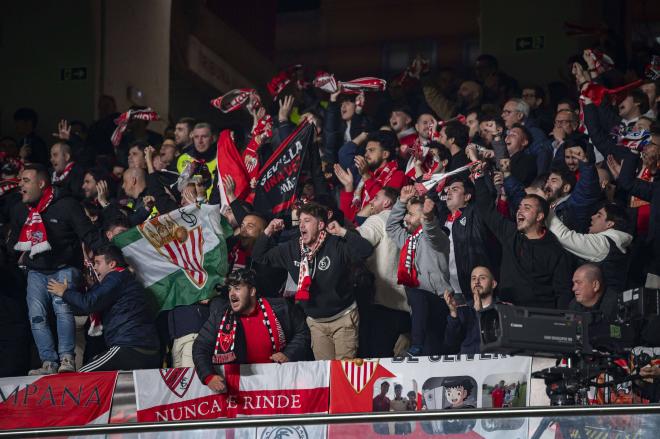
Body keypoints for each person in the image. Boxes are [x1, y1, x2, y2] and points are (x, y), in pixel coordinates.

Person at [9, 164, 105, 374]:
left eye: (26, 181)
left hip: (64, 269)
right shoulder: (19, 210)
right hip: (35, 271)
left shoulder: (67, 205)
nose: (20, 186)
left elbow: (88, 234)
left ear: (41, 183)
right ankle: (49, 363)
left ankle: (66, 359)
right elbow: (12, 247)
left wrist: (110, 256)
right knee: (36, 315)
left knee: (62, 309)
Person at [252, 202, 373, 360]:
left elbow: (366, 250)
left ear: (321, 225)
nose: (302, 225)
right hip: (316, 323)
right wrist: (268, 232)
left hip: (343, 319)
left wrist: (343, 231)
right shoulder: (291, 249)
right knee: (324, 373)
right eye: (300, 221)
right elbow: (259, 256)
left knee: (342, 373)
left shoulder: (336, 244)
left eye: (307, 221)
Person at [192, 269, 311, 392]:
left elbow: (302, 332)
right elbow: (200, 347)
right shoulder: (220, 316)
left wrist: (288, 354)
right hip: (240, 388)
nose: (232, 294)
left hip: (279, 383)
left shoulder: (281, 308)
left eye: (237, 288)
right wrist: (208, 376)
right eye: (230, 289)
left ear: (252, 291)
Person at [46, 244, 160, 371]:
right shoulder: (125, 279)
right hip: (148, 351)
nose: (94, 267)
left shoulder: (116, 277)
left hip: (129, 346)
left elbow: (89, 303)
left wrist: (64, 292)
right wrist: (90, 288)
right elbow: (90, 306)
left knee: (81, 375)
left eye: (97, 263)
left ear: (112, 264)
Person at [474, 169, 574, 308]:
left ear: (539, 217)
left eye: (526, 207)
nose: (519, 211)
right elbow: (487, 209)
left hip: (538, 319)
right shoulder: (510, 233)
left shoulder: (555, 251)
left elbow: (563, 293)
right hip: (506, 314)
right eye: (519, 207)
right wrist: (478, 176)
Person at [386, 186, 452, 355]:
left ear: (423, 218)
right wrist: (401, 202)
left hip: (438, 299)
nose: (406, 218)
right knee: (415, 292)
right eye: (407, 213)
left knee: (434, 350)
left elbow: (432, 232)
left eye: (411, 214)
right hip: (419, 305)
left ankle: (417, 346)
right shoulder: (409, 241)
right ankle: (417, 346)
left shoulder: (439, 238)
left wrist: (429, 218)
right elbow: (392, 227)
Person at [356, 187, 411, 357]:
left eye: (376, 198)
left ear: (387, 202)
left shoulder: (378, 220)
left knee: (376, 363)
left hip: (380, 304)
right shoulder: (408, 221)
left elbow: (357, 244)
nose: (371, 202)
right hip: (406, 306)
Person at [548, 203, 633, 292]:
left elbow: (565, 237)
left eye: (599, 216)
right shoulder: (615, 243)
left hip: (601, 304)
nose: (593, 217)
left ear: (609, 224)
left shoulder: (603, 244)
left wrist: (546, 210)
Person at [443, 266, 498, 355]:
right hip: (465, 365)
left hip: (494, 364)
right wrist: (453, 313)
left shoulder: (502, 310)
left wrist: (479, 313)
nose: (477, 282)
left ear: (493, 284)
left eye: (482, 278)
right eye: (473, 278)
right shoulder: (462, 311)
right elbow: (450, 344)